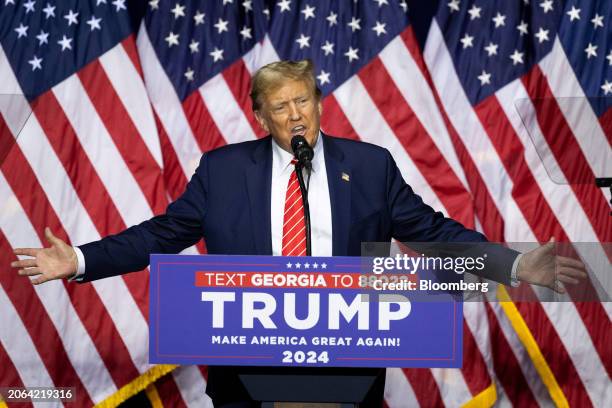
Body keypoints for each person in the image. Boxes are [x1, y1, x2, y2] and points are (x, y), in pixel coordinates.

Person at [11, 60, 586, 407]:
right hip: (247, 370)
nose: (296, 116)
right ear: (260, 116)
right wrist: (82, 259)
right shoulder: (223, 170)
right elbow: (162, 234)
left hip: (346, 368)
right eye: (281, 106)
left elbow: (431, 232)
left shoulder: (368, 166)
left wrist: (513, 266)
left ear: (318, 103)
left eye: (304, 100)